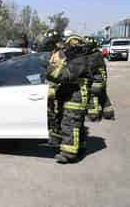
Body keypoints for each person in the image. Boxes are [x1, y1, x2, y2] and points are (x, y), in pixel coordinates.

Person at [40, 31, 90, 163]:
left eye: (67, 46)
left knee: (70, 124)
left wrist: (48, 67)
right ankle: (79, 147)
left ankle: (68, 153)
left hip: (76, 97)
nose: (65, 49)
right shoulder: (74, 58)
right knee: (76, 125)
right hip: (70, 95)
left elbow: (63, 75)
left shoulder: (78, 59)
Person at [84, 36, 115, 121]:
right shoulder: (97, 54)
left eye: (86, 46)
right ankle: (109, 114)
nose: (84, 48)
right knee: (103, 96)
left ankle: (93, 116)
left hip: (96, 81)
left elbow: (88, 69)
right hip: (102, 80)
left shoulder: (93, 56)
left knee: (92, 95)